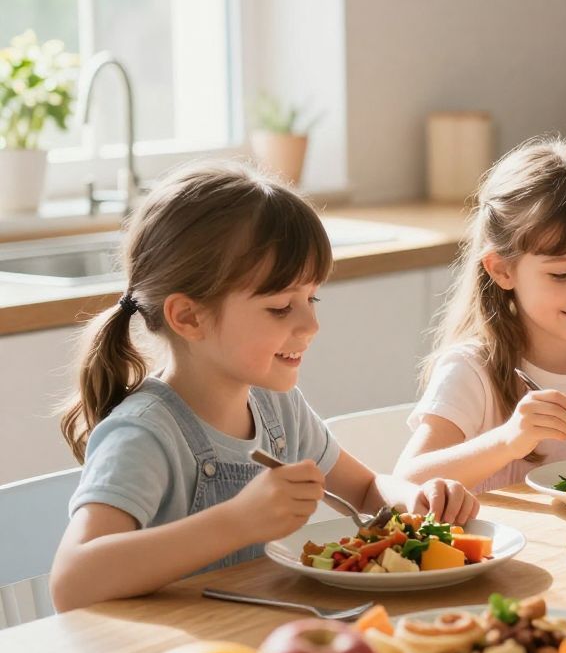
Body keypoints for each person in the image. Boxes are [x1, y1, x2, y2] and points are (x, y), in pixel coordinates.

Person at [51, 164, 479, 611]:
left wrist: (414, 498)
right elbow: (72, 582)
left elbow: (368, 490)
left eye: (311, 298)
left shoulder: (279, 408)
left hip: (261, 631)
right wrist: (237, 521)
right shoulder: (144, 435)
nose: (311, 324)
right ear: (189, 317)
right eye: (280, 307)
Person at [395, 137, 566, 493]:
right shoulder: (472, 371)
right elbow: (406, 482)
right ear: (502, 270)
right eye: (562, 274)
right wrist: (508, 440)